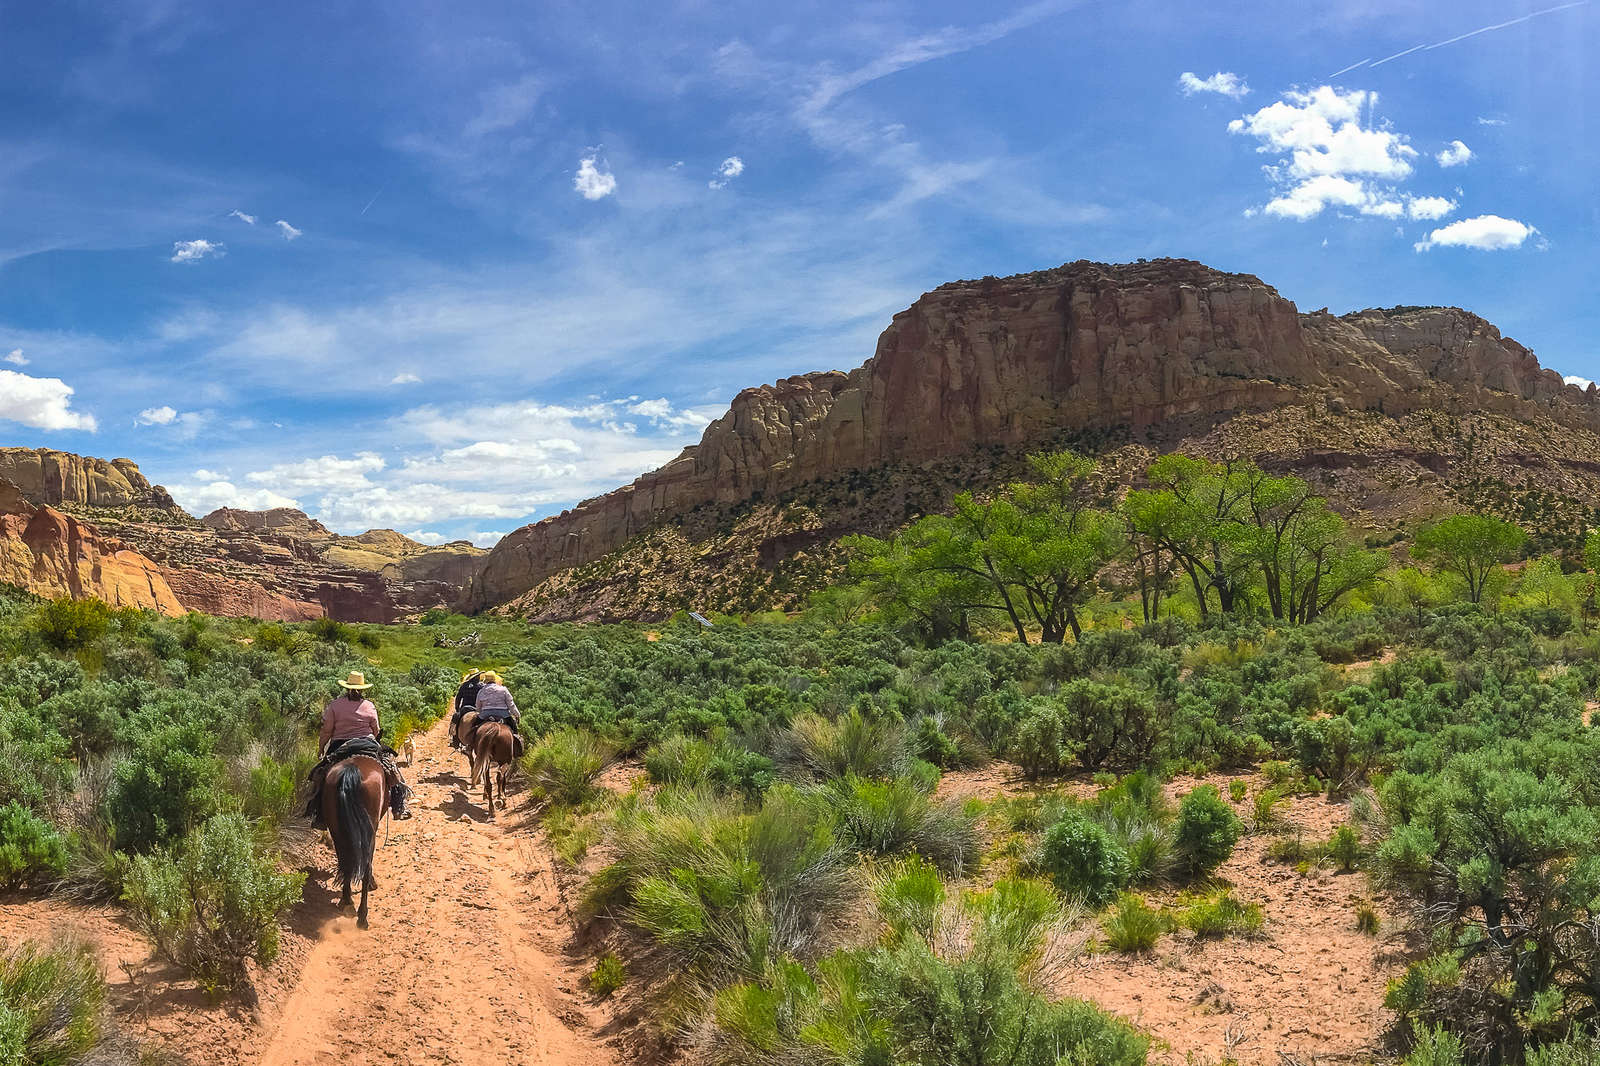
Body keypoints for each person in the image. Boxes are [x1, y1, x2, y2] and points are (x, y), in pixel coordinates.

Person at [303, 671, 413, 822]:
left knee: (320, 775)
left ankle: (317, 813)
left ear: (347, 688)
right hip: (367, 743)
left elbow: (326, 731)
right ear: (362, 689)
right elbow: (376, 730)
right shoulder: (369, 706)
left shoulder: (334, 705)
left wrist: (321, 747)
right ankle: (399, 806)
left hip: (339, 745)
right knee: (393, 772)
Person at [469, 670, 520, 736]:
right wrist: (517, 714)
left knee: (473, 729)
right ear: (495, 679)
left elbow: (478, 706)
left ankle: (470, 744)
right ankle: (518, 740)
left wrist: (480, 712)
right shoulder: (503, 689)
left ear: (486, 680)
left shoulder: (481, 691)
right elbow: (511, 704)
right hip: (503, 713)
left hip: (485, 713)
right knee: (515, 731)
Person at [448, 669, 484, 752]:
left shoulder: (464, 685)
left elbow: (458, 697)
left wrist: (457, 708)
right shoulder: (482, 686)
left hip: (465, 708)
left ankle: (455, 739)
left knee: (456, 718)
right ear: (477, 677)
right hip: (478, 709)